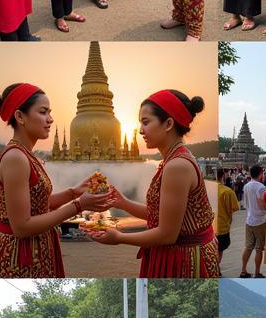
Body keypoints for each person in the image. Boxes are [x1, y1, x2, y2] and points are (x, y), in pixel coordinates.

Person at [85, 92, 220, 277]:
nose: (141, 130)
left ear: (169, 124)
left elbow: (167, 233)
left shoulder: (177, 165)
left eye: (146, 122)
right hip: (181, 252)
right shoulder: (172, 160)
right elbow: (163, 216)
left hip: (184, 260)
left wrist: (119, 237)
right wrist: (122, 202)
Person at [0, 85, 113, 278]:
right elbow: (21, 226)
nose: (50, 119)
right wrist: (79, 206)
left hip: (36, 248)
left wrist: (73, 192)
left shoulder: (28, 155)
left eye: (49, 112)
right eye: (43, 112)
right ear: (20, 117)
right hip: (18, 256)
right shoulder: (16, 158)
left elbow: (37, 205)